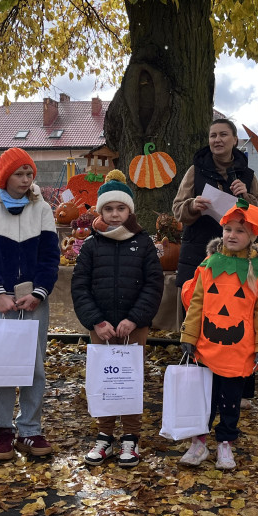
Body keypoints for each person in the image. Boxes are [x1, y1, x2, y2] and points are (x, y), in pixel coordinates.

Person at [178, 200, 258, 470]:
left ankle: (225, 443)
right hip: (207, 346)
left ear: (253, 236)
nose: (232, 235)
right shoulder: (209, 265)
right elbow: (197, 305)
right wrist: (188, 336)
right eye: (228, 229)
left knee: (230, 401)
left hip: (239, 351)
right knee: (204, 398)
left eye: (240, 231)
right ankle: (199, 442)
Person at [0, 148, 60, 461]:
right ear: (5, 177)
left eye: (29, 174)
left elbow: (50, 257)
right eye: (19, 174)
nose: (25, 179)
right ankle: (4, 429)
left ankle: (30, 428)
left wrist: (39, 293)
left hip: (33, 302)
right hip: (0, 302)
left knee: (34, 366)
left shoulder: (42, 208)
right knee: (3, 366)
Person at [71, 171, 164, 468]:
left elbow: (153, 284)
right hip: (102, 328)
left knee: (129, 380)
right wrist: (96, 321)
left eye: (120, 208)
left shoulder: (143, 243)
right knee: (105, 379)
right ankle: (105, 436)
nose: (114, 214)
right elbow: (80, 287)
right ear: (100, 211)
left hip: (133, 327)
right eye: (109, 208)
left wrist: (135, 319)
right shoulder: (91, 245)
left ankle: (130, 438)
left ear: (129, 211)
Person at [173, 118, 258, 406]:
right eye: (213, 135)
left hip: (238, 258)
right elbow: (177, 209)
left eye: (224, 134)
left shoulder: (247, 174)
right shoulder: (195, 170)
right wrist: (192, 205)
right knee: (198, 315)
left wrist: (246, 197)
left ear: (234, 140)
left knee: (239, 317)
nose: (217, 140)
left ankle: (241, 389)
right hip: (198, 252)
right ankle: (200, 384)